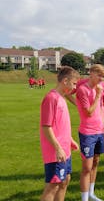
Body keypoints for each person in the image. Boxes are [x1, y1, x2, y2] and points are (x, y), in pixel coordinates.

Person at [39, 66, 80, 201]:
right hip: (55, 152)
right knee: (54, 185)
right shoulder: (51, 98)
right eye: (74, 83)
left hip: (65, 149)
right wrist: (58, 148)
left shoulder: (62, 98)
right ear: (65, 81)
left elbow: (61, 125)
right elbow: (46, 126)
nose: (75, 88)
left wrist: (70, 140)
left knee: (65, 180)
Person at [76, 64, 104, 201]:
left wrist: (103, 122)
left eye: (103, 76)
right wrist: (98, 95)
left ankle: (91, 193)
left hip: (99, 131)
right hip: (87, 132)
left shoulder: (99, 88)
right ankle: (84, 198)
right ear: (92, 73)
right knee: (87, 167)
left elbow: (100, 107)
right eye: (99, 75)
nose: (101, 79)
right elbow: (88, 112)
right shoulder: (83, 90)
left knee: (95, 162)